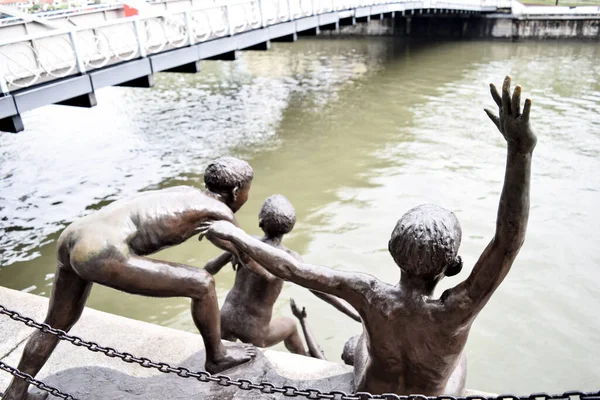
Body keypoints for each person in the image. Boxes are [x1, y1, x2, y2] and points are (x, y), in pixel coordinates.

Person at [198, 76, 537, 396]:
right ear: (453, 266)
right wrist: (520, 153)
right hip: (427, 392)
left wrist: (239, 238)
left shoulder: (370, 294)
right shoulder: (458, 309)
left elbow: (293, 269)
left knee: (365, 336)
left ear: (392, 250)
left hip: (368, 391)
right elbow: (508, 241)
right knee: (459, 357)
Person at [4, 157, 258, 400]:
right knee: (202, 284)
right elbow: (253, 258)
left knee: (56, 322)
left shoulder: (187, 192)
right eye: (248, 190)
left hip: (74, 235)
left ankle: (15, 393)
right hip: (101, 250)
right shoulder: (219, 210)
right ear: (236, 191)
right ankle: (217, 357)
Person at [203, 194, 360, 357]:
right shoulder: (289, 258)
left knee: (224, 349)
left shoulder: (244, 241)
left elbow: (210, 267)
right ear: (290, 227)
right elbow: (320, 290)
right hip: (255, 330)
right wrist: (356, 314)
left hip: (225, 318)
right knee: (290, 324)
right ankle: (305, 360)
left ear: (260, 221)